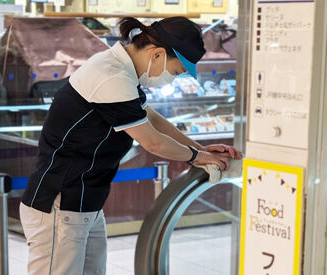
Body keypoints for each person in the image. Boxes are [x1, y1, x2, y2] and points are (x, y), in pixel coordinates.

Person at [20, 16, 242, 275]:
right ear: (157, 54)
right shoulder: (110, 75)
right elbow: (153, 141)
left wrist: (200, 150)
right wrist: (196, 156)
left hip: (83, 201)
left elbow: (152, 119)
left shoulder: (122, 71)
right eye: (177, 71)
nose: (174, 78)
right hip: (59, 201)